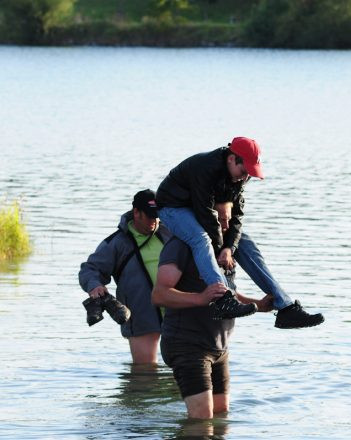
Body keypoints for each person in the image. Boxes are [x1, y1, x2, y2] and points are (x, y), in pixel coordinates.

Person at [157, 136, 324, 327]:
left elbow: (236, 218)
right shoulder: (205, 167)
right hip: (172, 206)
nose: (245, 178)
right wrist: (222, 249)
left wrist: (229, 247)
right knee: (200, 238)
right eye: (244, 171)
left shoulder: (239, 177)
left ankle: (285, 307)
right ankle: (223, 299)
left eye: (250, 174)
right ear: (231, 159)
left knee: (245, 243)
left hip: (201, 209)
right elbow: (205, 214)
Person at [152, 201, 274, 419]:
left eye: (228, 219)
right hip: (187, 345)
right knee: (201, 422)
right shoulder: (181, 245)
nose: (225, 225)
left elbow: (225, 292)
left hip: (219, 347)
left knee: (221, 417)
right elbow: (159, 294)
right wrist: (201, 298)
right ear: (204, 217)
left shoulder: (224, 248)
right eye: (220, 219)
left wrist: (259, 305)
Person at [78, 189, 171, 364]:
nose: (154, 220)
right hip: (140, 315)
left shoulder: (170, 233)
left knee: (185, 372)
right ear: (136, 212)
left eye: (157, 215)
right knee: (144, 373)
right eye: (149, 216)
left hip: (177, 311)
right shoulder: (116, 243)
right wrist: (94, 286)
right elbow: (89, 269)